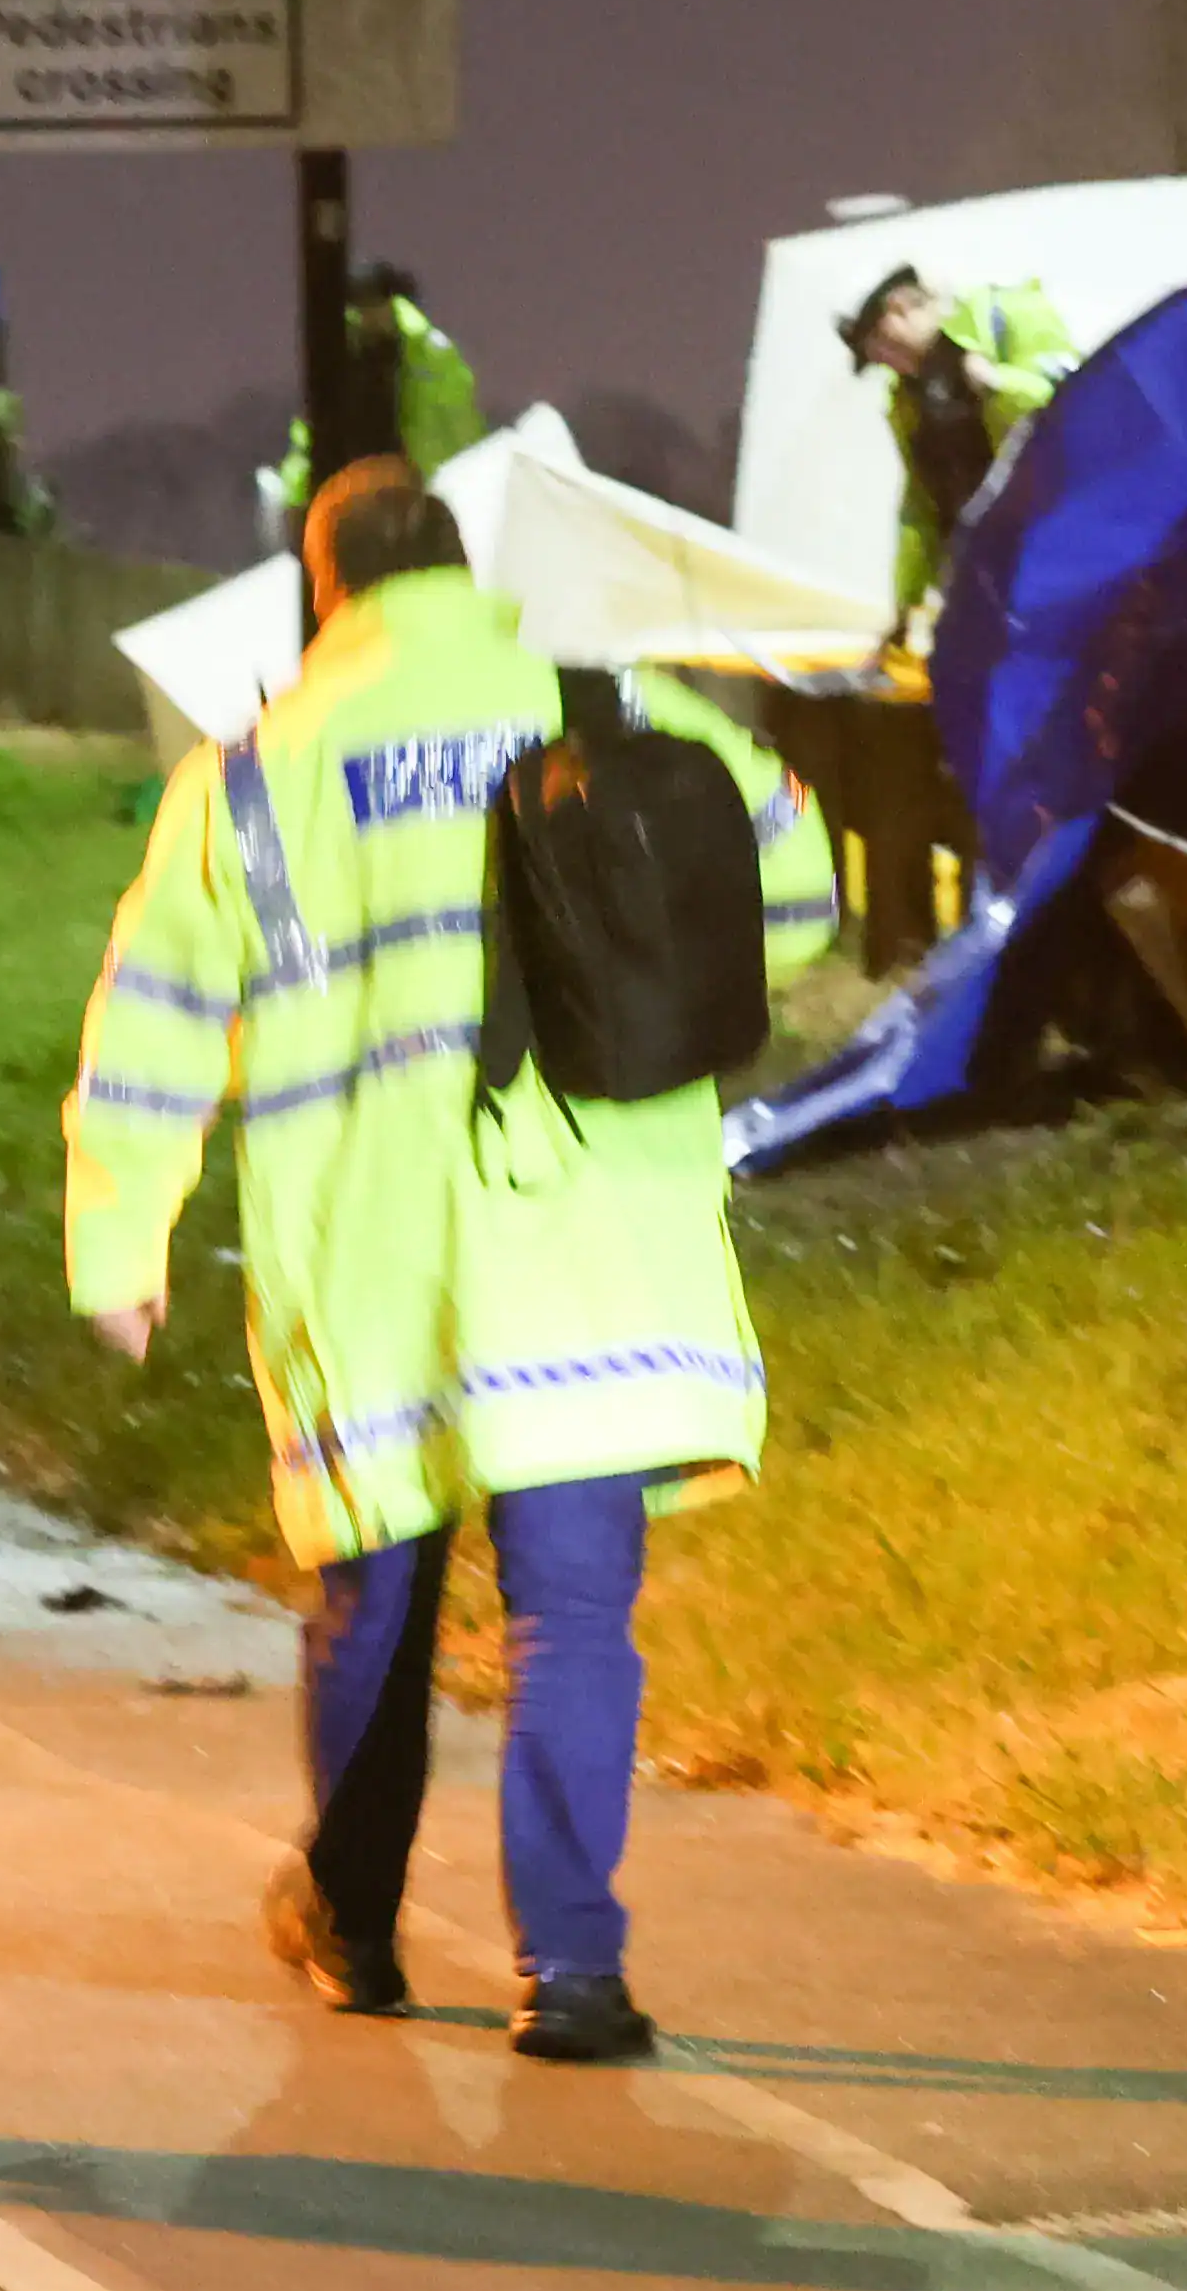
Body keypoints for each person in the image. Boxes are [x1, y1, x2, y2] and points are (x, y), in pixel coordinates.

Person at [69, 458, 837, 2062]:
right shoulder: (607, 704)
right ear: (461, 566)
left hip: (375, 1249)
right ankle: (572, 1970)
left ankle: (354, 1929)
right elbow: (798, 883)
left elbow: (154, 1018)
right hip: (590, 1237)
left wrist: (118, 1240)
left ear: (323, 584)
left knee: (377, 1605)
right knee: (572, 1614)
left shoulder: (255, 773)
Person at [836, 266, 1077, 643]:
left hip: (1054, 555)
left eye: (882, 344)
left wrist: (998, 384)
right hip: (981, 581)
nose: (886, 361)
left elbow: (1077, 403)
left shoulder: (1007, 314)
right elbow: (920, 506)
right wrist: (904, 605)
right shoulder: (906, 400)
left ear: (898, 308)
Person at [261, 263, 490, 542]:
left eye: (372, 303)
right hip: (367, 497)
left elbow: (461, 425)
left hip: (417, 495)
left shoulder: (428, 355)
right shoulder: (345, 357)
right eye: (360, 306)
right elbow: (312, 435)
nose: (367, 315)